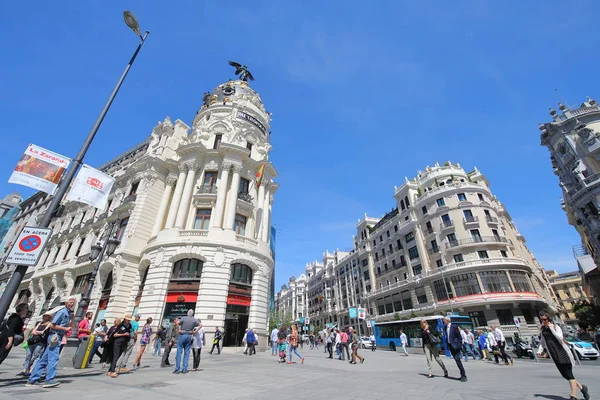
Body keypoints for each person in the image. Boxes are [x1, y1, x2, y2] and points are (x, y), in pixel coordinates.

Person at [539, 311, 590, 400]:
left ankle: (574, 396)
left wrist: (551, 328)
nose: (543, 321)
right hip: (554, 354)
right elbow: (542, 341)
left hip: (562, 352)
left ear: (549, 318)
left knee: (569, 374)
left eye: (545, 319)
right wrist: (540, 350)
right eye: (542, 320)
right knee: (565, 375)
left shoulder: (555, 327)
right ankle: (582, 388)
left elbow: (560, 337)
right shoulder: (542, 328)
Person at [26, 298, 76, 388]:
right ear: (65, 302)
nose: (71, 304)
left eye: (73, 303)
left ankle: (32, 379)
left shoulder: (68, 313)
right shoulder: (62, 312)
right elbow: (53, 324)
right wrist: (65, 329)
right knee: (53, 358)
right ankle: (49, 380)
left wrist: (72, 319)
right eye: (70, 302)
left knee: (44, 359)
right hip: (55, 336)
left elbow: (72, 327)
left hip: (58, 336)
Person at [20, 312, 51, 376]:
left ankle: (32, 369)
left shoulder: (49, 324)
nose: (44, 317)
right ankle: (25, 369)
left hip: (40, 342)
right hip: (32, 341)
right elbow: (32, 331)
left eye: (46, 316)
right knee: (28, 355)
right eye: (44, 316)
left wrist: (36, 332)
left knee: (37, 356)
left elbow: (43, 332)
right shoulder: (40, 323)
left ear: (49, 317)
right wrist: (37, 332)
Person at [174, 309, 200, 374]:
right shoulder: (194, 320)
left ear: (188, 313)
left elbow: (177, 323)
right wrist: (195, 331)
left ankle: (177, 369)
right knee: (187, 353)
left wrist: (178, 330)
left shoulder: (184, 318)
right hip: (189, 336)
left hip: (182, 335)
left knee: (179, 353)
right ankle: (184, 369)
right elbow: (201, 325)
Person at [443, 316, 467, 382]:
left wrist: (459, 345)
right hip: (451, 346)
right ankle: (462, 374)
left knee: (457, 359)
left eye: (444, 320)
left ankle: (463, 375)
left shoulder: (454, 327)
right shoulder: (445, 327)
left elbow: (459, 336)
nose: (443, 321)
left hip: (456, 346)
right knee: (457, 360)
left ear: (447, 321)